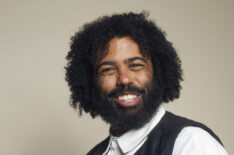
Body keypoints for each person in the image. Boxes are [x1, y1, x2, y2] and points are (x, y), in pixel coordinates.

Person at [65, 12, 228, 155]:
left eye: (135, 65)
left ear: (158, 71)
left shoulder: (190, 143)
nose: (124, 79)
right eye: (108, 69)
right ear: (90, 81)